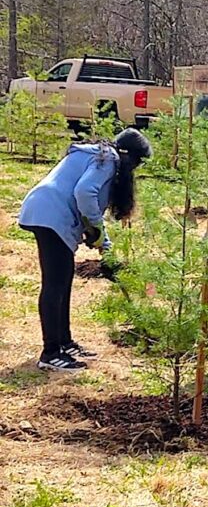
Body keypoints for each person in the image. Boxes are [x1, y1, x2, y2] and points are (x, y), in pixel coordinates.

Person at [18, 128, 153, 372]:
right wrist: (96, 228)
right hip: (50, 214)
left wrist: (103, 242)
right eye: (137, 163)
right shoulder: (109, 159)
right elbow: (84, 192)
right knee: (55, 283)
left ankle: (64, 343)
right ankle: (50, 353)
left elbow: (86, 202)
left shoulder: (96, 154)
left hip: (44, 211)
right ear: (129, 155)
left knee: (63, 280)